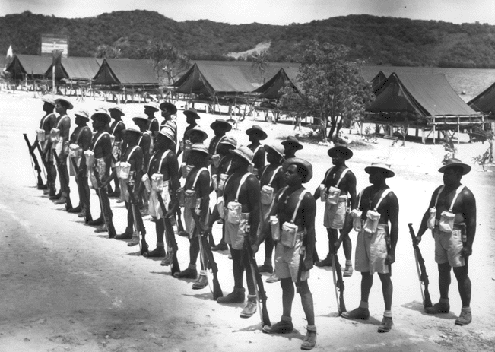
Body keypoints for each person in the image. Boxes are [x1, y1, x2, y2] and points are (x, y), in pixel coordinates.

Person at [262, 157, 317, 350]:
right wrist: (258, 240)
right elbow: (271, 217)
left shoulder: (307, 198)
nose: (286, 174)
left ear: (301, 176)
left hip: (297, 245)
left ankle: (311, 329)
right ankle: (286, 320)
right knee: (285, 283)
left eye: (290, 172)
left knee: (302, 286)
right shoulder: (282, 193)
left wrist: (309, 255)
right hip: (281, 244)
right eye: (286, 171)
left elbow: (310, 228)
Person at [415, 158, 476, 326]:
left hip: (456, 237)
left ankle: (466, 310)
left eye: (449, 173)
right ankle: (443, 303)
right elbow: (429, 211)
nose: (445, 176)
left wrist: (468, 246)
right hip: (439, 234)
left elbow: (471, 222)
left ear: (458, 174)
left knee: (460, 273)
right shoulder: (439, 191)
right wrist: (420, 233)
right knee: (442, 269)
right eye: (444, 173)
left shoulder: (466, 195)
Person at [342, 162, 398, 333]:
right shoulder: (365, 192)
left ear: (383, 175)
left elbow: (394, 225)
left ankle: (388, 316)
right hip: (364, 234)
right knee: (365, 273)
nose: (371, 176)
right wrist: (341, 238)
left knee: (384, 275)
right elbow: (354, 216)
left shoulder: (390, 196)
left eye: (375, 173)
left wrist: (392, 251)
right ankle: (363, 307)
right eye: (370, 173)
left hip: (380, 236)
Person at [216, 146, 261, 320]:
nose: (232, 161)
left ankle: (252, 298)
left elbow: (256, 209)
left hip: (244, 223)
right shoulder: (231, 178)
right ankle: (238, 291)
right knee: (235, 257)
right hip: (231, 220)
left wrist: (253, 234)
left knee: (247, 260)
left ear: (243, 162)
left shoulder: (251, 181)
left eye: (236, 159)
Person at [313, 145, 357, 277]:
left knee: (343, 233)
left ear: (343, 157)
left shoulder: (348, 174)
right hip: (329, 203)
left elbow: (353, 194)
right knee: (330, 231)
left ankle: (348, 264)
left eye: (337, 155)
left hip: (341, 205)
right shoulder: (329, 171)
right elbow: (321, 186)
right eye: (333, 155)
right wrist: (311, 199)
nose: (334, 158)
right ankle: (331, 258)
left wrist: (353, 211)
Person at [173, 144, 211, 291]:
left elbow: (206, 198)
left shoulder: (203, 174)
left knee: (201, 242)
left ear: (201, 157)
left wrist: (201, 219)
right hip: (190, 209)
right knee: (192, 240)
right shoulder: (193, 171)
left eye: (194, 154)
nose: (190, 156)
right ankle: (191, 267)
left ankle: (204, 274)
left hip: (198, 211)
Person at [144, 126, 180, 259]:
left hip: (165, 190)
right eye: (157, 138)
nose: (157, 140)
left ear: (167, 140)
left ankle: (171, 251)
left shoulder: (170, 156)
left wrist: (175, 198)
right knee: (158, 220)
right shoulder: (155, 155)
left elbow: (175, 177)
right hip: (154, 189)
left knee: (165, 219)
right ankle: (160, 247)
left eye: (161, 139)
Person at [256, 143, 286, 283]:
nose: (268, 156)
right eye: (268, 154)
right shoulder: (265, 168)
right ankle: (267, 262)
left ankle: (278, 270)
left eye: (272, 154)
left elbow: (282, 191)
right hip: (263, 204)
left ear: (279, 157)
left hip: (274, 205)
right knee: (267, 234)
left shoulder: (281, 172)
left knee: (275, 236)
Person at [88, 109, 117, 238]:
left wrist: (105, 173)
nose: (93, 123)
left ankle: (108, 220)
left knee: (103, 194)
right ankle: (102, 216)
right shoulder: (97, 134)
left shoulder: (104, 136)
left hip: (101, 166)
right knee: (99, 193)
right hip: (95, 164)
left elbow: (109, 155)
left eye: (96, 121)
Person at [115, 127, 144, 241]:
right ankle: (129, 230)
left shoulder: (137, 150)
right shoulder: (127, 149)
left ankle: (137, 234)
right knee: (128, 206)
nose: (125, 137)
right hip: (125, 180)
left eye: (128, 135)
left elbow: (139, 170)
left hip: (133, 181)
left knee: (134, 208)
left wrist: (137, 190)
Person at [209, 136, 237, 252]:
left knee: (227, 220)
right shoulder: (223, 160)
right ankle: (222, 242)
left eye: (225, 147)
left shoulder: (235, 162)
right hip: (221, 194)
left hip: (230, 195)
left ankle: (226, 243)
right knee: (216, 219)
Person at [67, 110, 92, 215]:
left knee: (83, 181)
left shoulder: (85, 130)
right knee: (78, 181)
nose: (76, 119)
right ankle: (81, 204)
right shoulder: (77, 129)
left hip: (81, 158)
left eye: (78, 117)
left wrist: (82, 164)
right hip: (74, 156)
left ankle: (86, 207)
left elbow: (85, 147)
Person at [50, 97, 73, 209]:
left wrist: (63, 152)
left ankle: (65, 193)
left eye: (58, 106)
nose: (56, 107)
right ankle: (62, 190)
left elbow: (65, 137)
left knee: (63, 170)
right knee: (59, 169)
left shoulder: (65, 119)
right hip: (57, 144)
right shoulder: (59, 118)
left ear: (64, 107)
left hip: (61, 145)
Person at [133, 115, 153, 215]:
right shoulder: (141, 134)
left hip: (143, 162)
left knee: (143, 185)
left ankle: (145, 206)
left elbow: (146, 152)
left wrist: (145, 166)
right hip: (141, 161)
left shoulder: (145, 135)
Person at [39, 95, 58, 197]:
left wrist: (49, 145)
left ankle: (52, 185)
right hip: (43, 141)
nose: (44, 106)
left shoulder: (52, 117)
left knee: (50, 164)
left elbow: (53, 133)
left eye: (46, 104)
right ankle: (48, 182)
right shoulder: (45, 117)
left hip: (49, 142)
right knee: (46, 163)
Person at [108, 106, 126, 198]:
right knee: (113, 167)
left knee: (116, 168)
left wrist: (122, 151)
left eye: (113, 112)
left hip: (117, 147)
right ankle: (116, 188)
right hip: (113, 146)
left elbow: (123, 138)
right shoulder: (114, 123)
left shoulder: (120, 124)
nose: (111, 114)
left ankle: (119, 189)